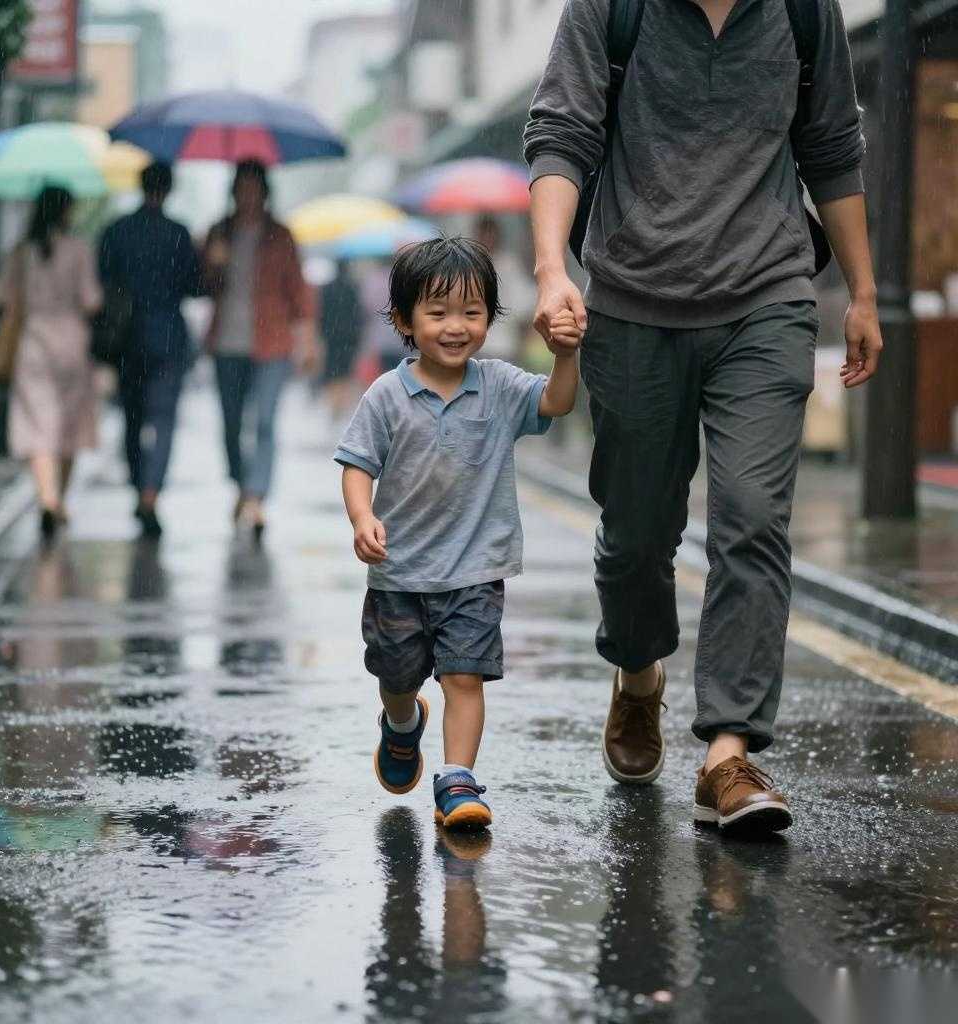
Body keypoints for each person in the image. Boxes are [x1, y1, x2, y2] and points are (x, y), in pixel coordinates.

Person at [524, 0, 883, 832]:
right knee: (636, 533)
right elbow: (562, 134)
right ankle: (638, 670)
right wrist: (550, 269)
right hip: (632, 302)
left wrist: (863, 292)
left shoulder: (802, 9)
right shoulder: (611, 8)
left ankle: (729, 752)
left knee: (753, 516)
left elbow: (831, 144)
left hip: (768, 297)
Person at [333, 237, 581, 830]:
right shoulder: (386, 396)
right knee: (396, 675)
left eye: (471, 312)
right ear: (404, 321)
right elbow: (357, 465)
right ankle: (402, 724)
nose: (455, 327)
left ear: (489, 319)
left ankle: (458, 779)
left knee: (464, 675)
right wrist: (363, 518)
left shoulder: (499, 385)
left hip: (475, 570)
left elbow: (556, 403)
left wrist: (566, 355)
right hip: (399, 572)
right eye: (438, 312)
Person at [202, 159, 317, 538]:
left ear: (265, 192)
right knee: (231, 425)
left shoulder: (280, 236)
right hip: (227, 343)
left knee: (265, 421)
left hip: (273, 343)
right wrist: (213, 265)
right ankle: (241, 483)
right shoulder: (219, 232)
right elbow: (202, 286)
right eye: (242, 188)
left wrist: (307, 340)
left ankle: (255, 497)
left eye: (254, 188)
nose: (248, 196)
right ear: (233, 191)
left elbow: (298, 292)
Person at [98, 161, 201, 539]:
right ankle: (151, 492)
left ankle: (139, 484)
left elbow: (103, 282)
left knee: (132, 419)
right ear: (169, 189)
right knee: (164, 421)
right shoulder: (178, 234)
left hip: (127, 340)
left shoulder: (117, 231)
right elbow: (194, 286)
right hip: (168, 339)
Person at [0, 186, 102, 540]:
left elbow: (6, 300)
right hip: (72, 345)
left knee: (37, 424)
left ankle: (47, 497)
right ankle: (60, 500)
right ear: (65, 212)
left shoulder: (22, 252)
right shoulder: (78, 249)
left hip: (33, 344)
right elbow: (91, 300)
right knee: (69, 426)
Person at [473, 216, 537, 364]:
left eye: (490, 234)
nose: (487, 239)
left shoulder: (508, 265)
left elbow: (523, 304)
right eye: (484, 234)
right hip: (477, 345)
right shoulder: (471, 266)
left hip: (504, 345)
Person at [319, 259, 362, 426]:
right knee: (345, 372)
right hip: (349, 338)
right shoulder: (352, 288)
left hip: (331, 337)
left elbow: (321, 314)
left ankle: (334, 406)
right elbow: (358, 314)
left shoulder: (327, 289)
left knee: (332, 372)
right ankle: (341, 405)